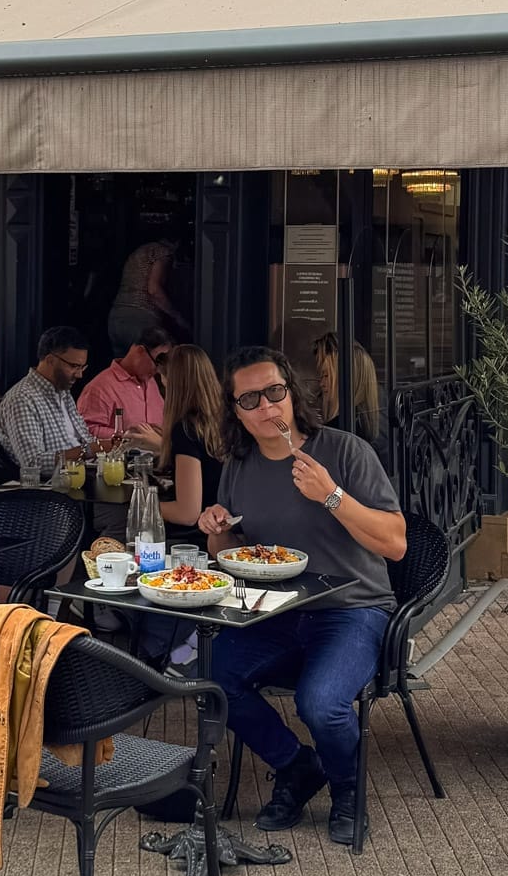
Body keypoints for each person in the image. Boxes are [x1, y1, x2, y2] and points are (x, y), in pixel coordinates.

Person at [199, 345, 405, 847]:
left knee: (322, 705)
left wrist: (331, 495)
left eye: (275, 392)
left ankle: (348, 788)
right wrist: (216, 530)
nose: (267, 408)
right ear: (236, 414)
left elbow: (395, 544)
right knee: (211, 680)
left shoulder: (343, 451)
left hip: (352, 609)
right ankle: (296, 767)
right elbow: (241, 551)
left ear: (292, 394)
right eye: (250, 400)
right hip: (276, 609)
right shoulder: (240, 466)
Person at [0, 326, 109, 473]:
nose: (80, 375)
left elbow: (84, 441)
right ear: (50, 360)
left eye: (82, 367)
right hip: (49, 487)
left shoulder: (63, 392)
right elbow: (33, 464)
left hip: (80, 475)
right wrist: (89, 450)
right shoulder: (21, 399)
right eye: (74, 366)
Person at [157, 344, 224, 534]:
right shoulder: (225, 420)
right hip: (229, 530)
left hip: (197, 538)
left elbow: (187, 514)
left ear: (171, 382)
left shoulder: (186, 429)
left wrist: (139, 504)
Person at [77, 325, 173, 452]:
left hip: (154, 465)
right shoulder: (100, 387)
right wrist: (129, 436)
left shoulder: (152, 384)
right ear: (140, 351)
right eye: (157, 362)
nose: (158, 370)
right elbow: (85, 432)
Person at [107, 240, 187, 355]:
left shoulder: (141, 251)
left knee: (124, 367)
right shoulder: (164, 252)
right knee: (168, 358)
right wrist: (178, 317)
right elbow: (154, 290)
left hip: (116, 318)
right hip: (140, 317)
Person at [313, 332, 385, 453]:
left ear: (348, 379)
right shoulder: (378, 420)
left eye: (326, 375)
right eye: (321, 376)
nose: (321, 384)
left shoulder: (339, 432)